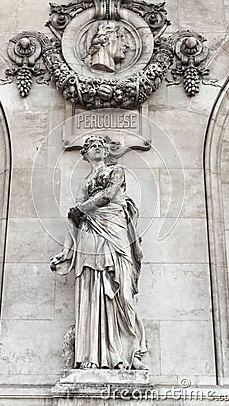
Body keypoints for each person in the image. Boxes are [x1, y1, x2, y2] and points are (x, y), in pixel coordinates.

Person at [50, 136, 147, 370]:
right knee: (91, 289)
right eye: (93, 145)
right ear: (85, 153)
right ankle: (92, 355)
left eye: (101, 146)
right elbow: (73, 221)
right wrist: (65, 251)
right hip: (89, 236)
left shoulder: (116, 171)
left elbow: (107, 196)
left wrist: (80, 209)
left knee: (123, 292)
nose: (98, 148)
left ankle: (130, 350)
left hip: (115, 231)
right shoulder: (84, 183)